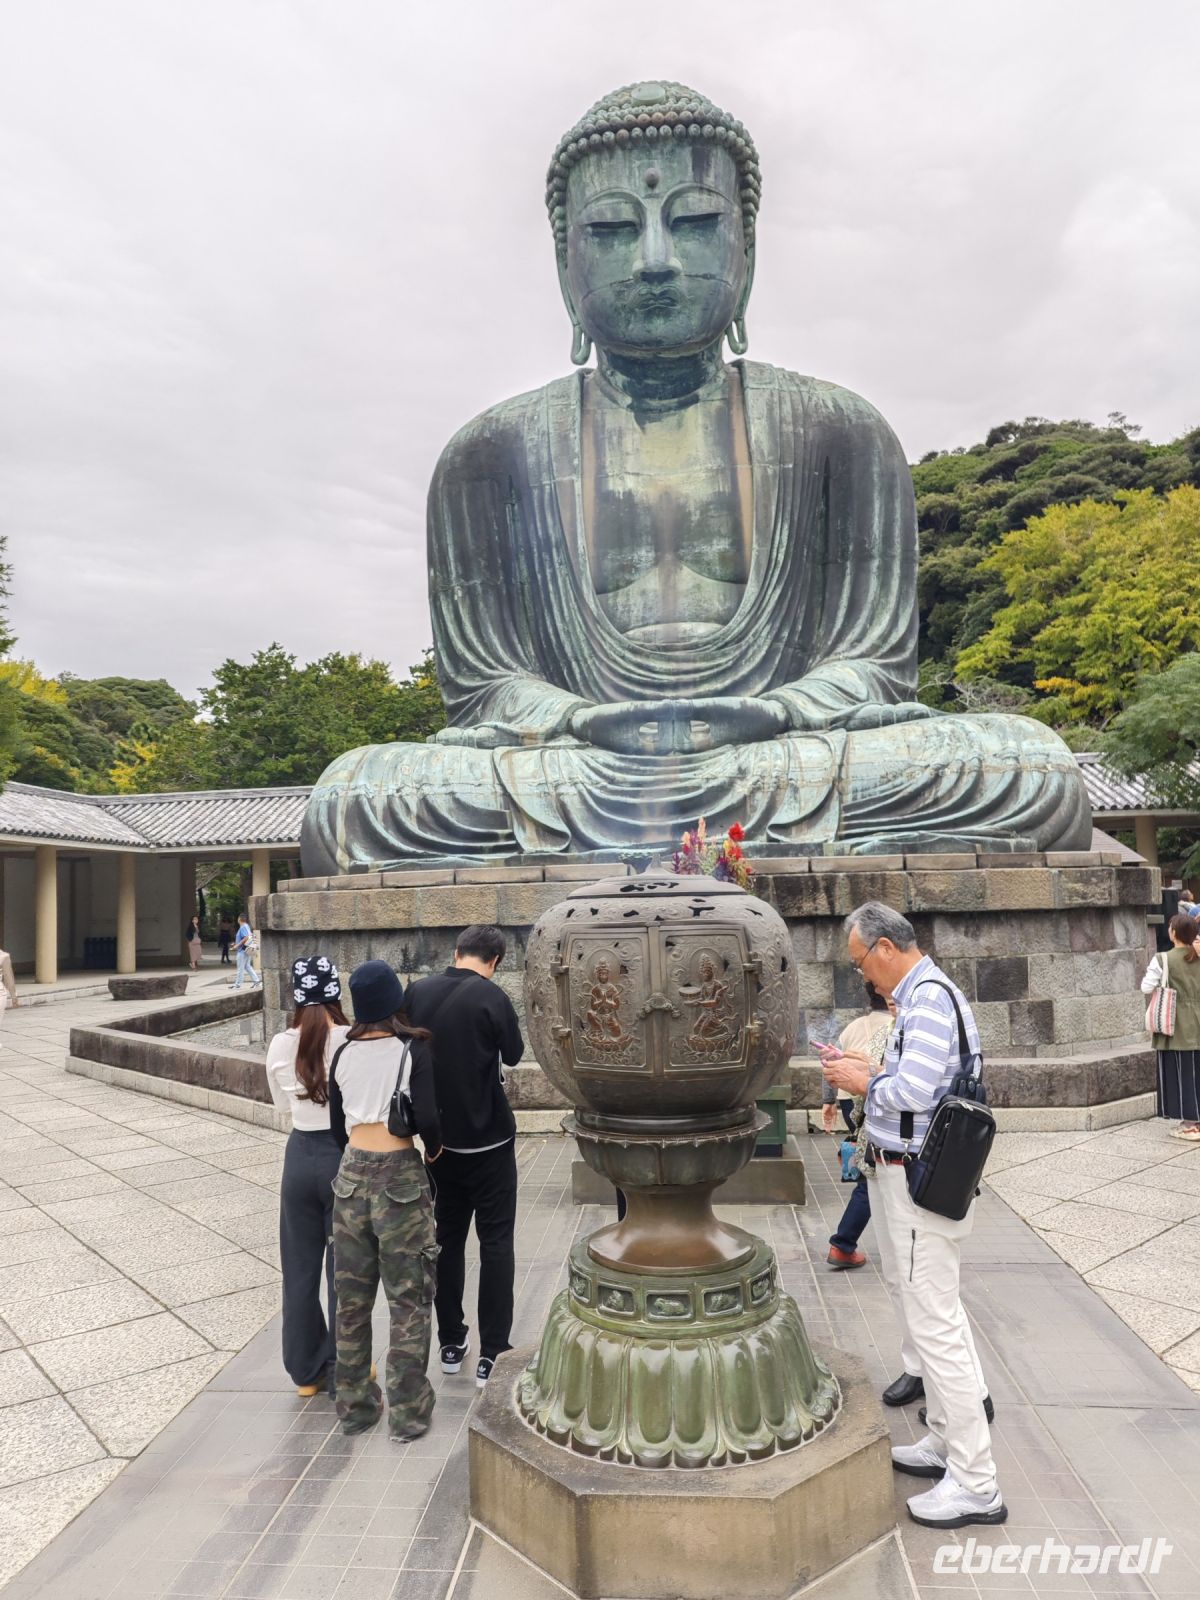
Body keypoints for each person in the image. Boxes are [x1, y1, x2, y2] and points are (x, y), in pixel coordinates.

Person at [824, 902, 1004, 1530]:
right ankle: (944, 1440)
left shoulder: (926, 998)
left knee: (936, 1326)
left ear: (882, 948)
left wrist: (862, 1079)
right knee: (933, 1314)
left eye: (860, 965)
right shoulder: (926, 995)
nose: (863, 979)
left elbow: (914, 1090)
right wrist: (873, 1076)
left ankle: (977, 1481)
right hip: (910, 1179)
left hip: (919, 1184)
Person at [404, 925, 524, 1389]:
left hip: (439, 1145)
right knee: (496, 1245)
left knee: (448, 1241)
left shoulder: (418, 992)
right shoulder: (492, 998)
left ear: (456, 953)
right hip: (491, 1142)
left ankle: (451, 1342)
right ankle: (493, 1351)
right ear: (495, 960)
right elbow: (512, 1055)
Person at [328, 959, 442, 1439]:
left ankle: (354, 1407)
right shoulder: (411, 1049)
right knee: (408, 1300)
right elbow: (430, 1119)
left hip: (350, 1179)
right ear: (395, 1001)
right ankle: (408, 1413)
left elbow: (339, 1129)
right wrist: (431, 1153)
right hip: (399, 1180)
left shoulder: (341, 1054)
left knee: (351, 1302)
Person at [265, 956, 349, 1396]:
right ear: (336, 992)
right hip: (342, 1155)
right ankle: (346, 1367)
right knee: (344, 1268)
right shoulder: (351, 1039)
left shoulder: (281, 1044)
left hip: (299, 1155)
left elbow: (282, 1106)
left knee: (298, 1269)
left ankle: (305, 1371)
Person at [819, 982, 894, 1268]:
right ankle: (843, 1243)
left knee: (870, 1163)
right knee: (872, 1173)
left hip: (849, 1097)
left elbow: (830, 1060)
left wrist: (828, 1100)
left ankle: (845, 1243)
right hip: (872, 1096)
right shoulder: (893, 1029)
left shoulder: (853, 1027)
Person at [1141, 912, 1200, 1140]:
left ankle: (1190, 1124)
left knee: (1182, 1072)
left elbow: (1147, 987)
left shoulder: (1163, 959)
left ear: (1173, 932)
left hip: (1177, 1023)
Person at [232, 913, 261, 989]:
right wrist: (236, 943)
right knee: (247, 966)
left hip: (242, 950)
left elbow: (246, 937)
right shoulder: (247, 926)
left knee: (240, 968)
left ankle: (237, 985)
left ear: (239, 919)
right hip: (247, 950)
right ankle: (256, 981)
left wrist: (237, 945)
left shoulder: (242, 927)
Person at [0, 947, 18, 1047]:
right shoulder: (3, 956)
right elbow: (8, 978)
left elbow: (8, 977)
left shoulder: (4, 956)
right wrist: (14, 997)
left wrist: (14, 996)